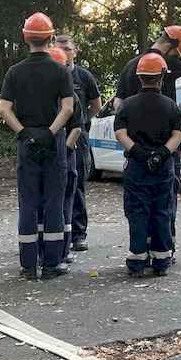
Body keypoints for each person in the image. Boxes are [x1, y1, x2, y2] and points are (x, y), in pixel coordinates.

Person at [114, 25, 181, 263]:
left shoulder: (131, 66)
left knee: (138, 206)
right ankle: (164, 252)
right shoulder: (166, 63)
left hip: (135, 153)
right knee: (164, 203)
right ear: (172, 47)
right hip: (166, 152)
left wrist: (134, 141)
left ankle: (139, 253)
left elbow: (118, 105)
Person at [0, 12, 74, 280]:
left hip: (27, 143)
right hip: (53, 142)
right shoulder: (61, 71)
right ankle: (52, 264)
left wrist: (24, 134)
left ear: (25, 38)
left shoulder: (14, 72)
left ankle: (29, 265)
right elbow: (68, 108)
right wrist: (50, 132)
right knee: (54, 202)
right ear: (50, 37)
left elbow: (5, 109)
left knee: (28, 203)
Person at [114, 53, 181, 277]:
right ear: (161, 77)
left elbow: (120, 133)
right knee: (162, 212)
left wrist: (139, 153)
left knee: (137, 212)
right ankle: (161, 260)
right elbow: (178, 134)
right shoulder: (171, 106)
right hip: (163, 168)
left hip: (136, 167)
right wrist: (161, 154)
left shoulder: (127, 106)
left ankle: (137, 260)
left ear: (139, 77)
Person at [55, 34, 102, 252]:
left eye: (67, 48)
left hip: (77, 136)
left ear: (75, 51)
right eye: (59, 48)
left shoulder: (83, 76)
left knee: (76, 185)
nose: (63, 52)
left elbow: (96, 105)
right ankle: (55, 233)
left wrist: (81, 122)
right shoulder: (50, 75)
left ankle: (78, 234)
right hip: (54, 135)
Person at [49, 46, 82, 263]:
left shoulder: (71, 98)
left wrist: (65, 149)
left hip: (63, 156)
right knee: (59, 205)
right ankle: (56, 250)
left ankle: (62, 248)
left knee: (65, 204)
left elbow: (76, 128)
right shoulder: (66, 96)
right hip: (59, 155)